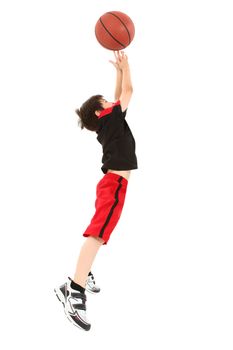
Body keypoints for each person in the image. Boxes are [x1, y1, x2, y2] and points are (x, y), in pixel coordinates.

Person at [54, 51, 138, 331]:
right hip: (114, 185)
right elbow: (128, 91)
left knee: (100, 233)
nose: (112, 102)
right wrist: (127, 68)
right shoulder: (111, 120)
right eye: (106, 102)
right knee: (97, 234)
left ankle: (83, 269)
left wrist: (117, 72)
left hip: (113, 184)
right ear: (101, 112)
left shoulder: (107, 122)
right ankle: (73, 288)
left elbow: (118, 96)